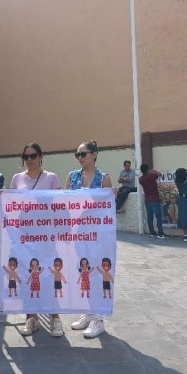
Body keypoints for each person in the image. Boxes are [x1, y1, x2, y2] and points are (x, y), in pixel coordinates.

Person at [0, 143, 64, 337]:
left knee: (48, 275)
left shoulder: (51, 178)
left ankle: (55, 318)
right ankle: (32, 317)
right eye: (26, 156)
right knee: (28, 274)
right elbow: (11, 205)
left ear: (41, 156)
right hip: (24, 236)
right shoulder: (17, 178)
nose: (29, 159)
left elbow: (60, 204)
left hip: (46, 236)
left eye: (33, 155)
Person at [65, 140, 117, 339]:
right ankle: (88, 312)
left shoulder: (104, 178)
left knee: (97, 272)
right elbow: (65, 203)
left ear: (94, 154)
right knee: (83, 271)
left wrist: (111, 195)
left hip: (98, 235)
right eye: (77, 154)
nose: (80, 158)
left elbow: (107, 209)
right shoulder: (72, 177)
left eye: (83, 154)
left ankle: (99, 318)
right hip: (78, 234)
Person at [138, 164, 169, 239]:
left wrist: (149, 172)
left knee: (150, 217)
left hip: (147, 199)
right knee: (158, 217)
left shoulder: (141, 179)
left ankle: (152, 232)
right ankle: (160, 233)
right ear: (147, 169)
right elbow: (159, 174)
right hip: (155, 199)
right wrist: (153, 170)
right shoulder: (151, 176)